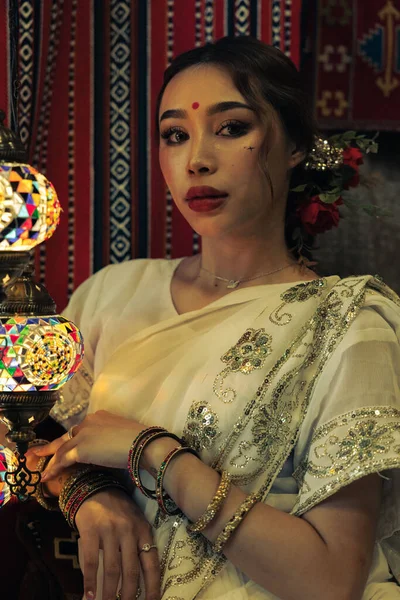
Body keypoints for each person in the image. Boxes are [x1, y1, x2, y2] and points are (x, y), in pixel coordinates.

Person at [25, 36, 400, 600]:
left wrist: (154, 451)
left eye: (231, 128)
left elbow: (329, 581)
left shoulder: (347, 324)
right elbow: (32, 446)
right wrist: (90, 495)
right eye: (175, 135)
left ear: (295, 145)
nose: (196, 159)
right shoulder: (111, 294)